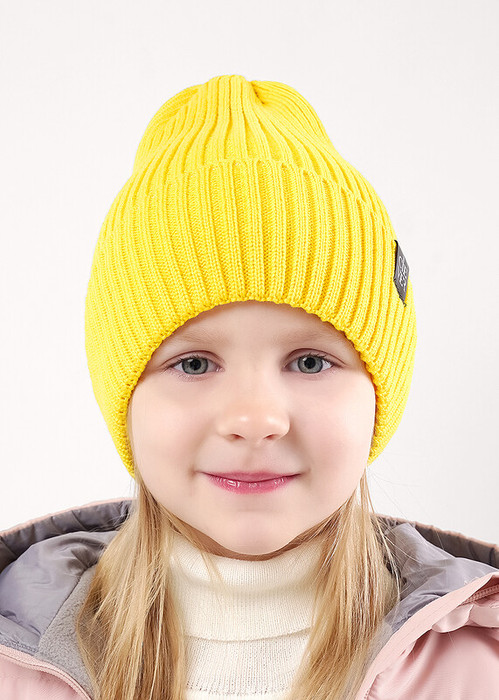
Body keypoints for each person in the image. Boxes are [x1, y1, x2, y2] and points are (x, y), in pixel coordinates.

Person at [0, 74, 498, 700]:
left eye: (310, 362)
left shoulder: (478, 661)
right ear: (123, 400)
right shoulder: (17, 663)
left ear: (378, 395)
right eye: (194, 364)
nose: (256, 418)